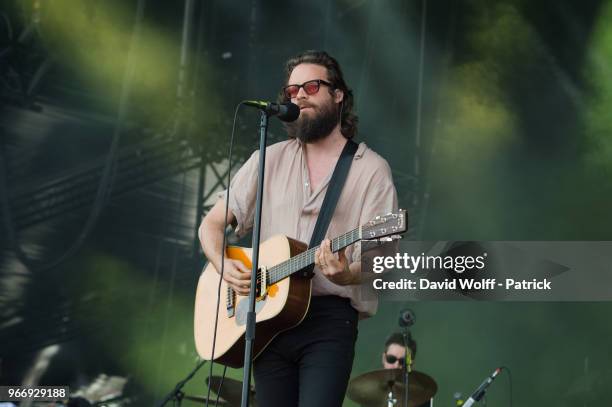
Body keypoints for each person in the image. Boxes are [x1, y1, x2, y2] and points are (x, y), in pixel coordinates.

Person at [199, 50, 398, 407]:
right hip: (266, 318)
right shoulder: (268, 158)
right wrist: (222, 263)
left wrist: (348, 275)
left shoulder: (371, 169)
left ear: (338, 95)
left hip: (329, 321)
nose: (299, 96)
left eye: (310, 86)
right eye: (291, 92)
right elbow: (211, 225)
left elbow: (382, 258)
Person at [382, 332, 431, 407]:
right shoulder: (368, 392)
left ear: (411, 365)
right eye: (391, 359)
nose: (396, 366)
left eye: (403, 362)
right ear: (384, 358)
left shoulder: (421, 397)